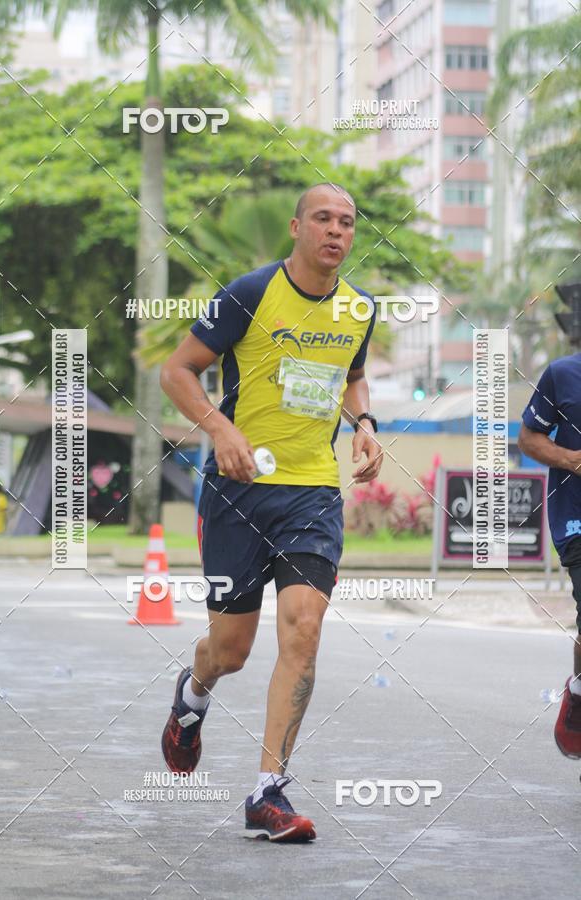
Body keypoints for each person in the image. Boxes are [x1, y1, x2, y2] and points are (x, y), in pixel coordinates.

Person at [159, 183, 383, 842]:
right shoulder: (250, 293)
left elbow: (350, 373)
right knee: (230, 651)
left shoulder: (359, 308)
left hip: (312, 493)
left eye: (346, 222)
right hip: (238, 491)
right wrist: (220, 432)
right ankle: (193, 695)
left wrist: (365, 422)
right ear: (296, 226)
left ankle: (269, 791)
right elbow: (177, 372)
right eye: (323, 218)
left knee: (304, 628)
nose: (336, 231)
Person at [518, 350, 581, 757]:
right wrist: (571, 459)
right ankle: (579, 698)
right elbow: (528, 439)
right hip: (577, 518)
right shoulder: (563, 373)